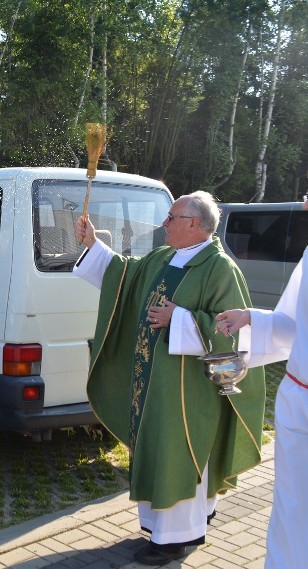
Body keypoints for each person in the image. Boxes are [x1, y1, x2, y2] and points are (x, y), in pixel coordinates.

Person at [72, 191, 265, 566]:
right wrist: (93, 243)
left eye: (171, 217)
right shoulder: (164, 258)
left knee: (180, 451)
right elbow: (124, 277)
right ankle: (167, 525)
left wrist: (180, 318)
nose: (165, 223)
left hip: (187, 390)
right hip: (152, 383)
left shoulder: (219, 269)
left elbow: (232, 332)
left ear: (194, 224)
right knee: (157, 447)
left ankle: (175, 539)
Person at [215, 198, 308, 569]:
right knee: (290, 503)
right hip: (299, 399)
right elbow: (292, 326)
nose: (304, 206)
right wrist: (251, 317)